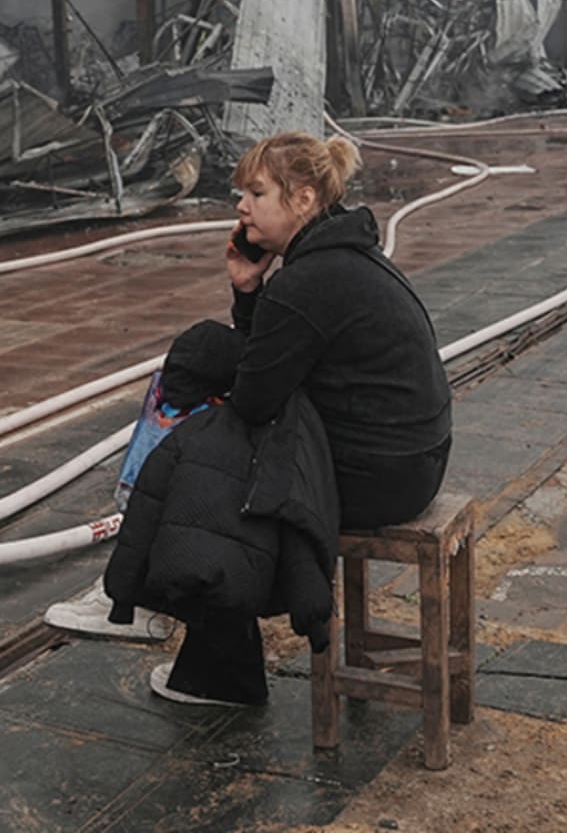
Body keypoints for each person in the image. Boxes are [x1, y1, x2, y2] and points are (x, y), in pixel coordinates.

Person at [103, 131, 453, 706]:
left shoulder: (309, 281)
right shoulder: (340, 259)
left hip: (382, 477)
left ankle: (190, 638)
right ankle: (198, 649)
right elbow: (269, 363)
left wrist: (241, 320)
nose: (241, 206)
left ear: (305, 199)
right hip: (410, 462)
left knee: (220, 460)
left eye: (257, 192)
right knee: (223, 434)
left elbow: (255, 399)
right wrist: (248, 289)